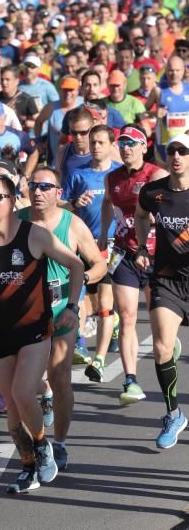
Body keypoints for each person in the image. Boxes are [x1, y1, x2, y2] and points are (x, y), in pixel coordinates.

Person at [0, 174, 85, 493]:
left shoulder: (35, 235)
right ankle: (28, 466)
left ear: (11, 200)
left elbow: (76, 266)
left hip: (35, 329)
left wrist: (72, 307)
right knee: (12, 411)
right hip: (0, 331)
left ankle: (44, 447)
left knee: (21, 392)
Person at [18, 166, 107, 470]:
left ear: (59, 193)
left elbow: (97, 264)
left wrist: (80, 288)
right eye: (34, 186)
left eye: (46, 187)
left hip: (62, 310)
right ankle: (43, 408)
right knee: (24, 383)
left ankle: (60, 444)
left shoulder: (72, 224)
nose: (38, 192)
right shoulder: (17, 222)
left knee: (60, 375)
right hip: (24, 314)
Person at [98, 125, 167, 404]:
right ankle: (131, 381)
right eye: (121, 143)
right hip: (125, 252)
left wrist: (155, 221)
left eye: (131, 143)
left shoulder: (156, 175)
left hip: (156, 255)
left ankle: (167, 345)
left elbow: (172, 209)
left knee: (158, 318)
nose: (125, 147)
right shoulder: (111, 178)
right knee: (126, 317)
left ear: (142, 146)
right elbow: (106, 203)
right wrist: (103, 233)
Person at [134, 133, 189, 449]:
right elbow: (141, 215)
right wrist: (143, 246)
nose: (177, 156)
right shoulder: (154, 193)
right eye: (172, 151)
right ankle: (173, 413)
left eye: (183, 151)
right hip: (167, 282)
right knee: (161, 347)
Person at [63, 125, 122, 381]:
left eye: (101, 142)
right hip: (83, 243)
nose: (96, 147)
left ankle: (98, 360)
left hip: (110, 244)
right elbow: (60, 203)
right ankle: (82, 343)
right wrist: (76, 203)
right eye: (93, 142)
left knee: (105, 302)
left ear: (111, 145)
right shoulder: (78, 174)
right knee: (86, 298)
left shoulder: (118, 175)